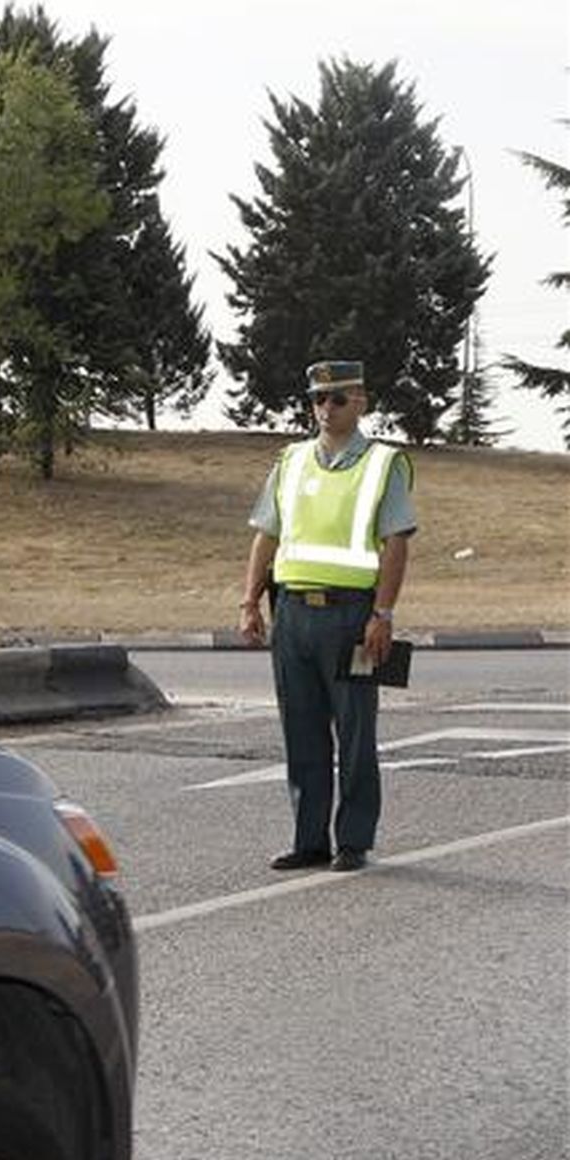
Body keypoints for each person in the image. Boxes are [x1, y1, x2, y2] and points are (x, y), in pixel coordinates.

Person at [238, 359, 417, 872]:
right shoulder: (291, 461)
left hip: (353, 617)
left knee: (356, 730)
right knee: (302, 728)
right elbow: (266, 535)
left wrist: (383, 613)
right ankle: (309, 839)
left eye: (337, 399)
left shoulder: (383, 463)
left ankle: (354, 839)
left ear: (360, 401)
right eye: (317, 398)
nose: (325, 408)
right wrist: (250, 601)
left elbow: (395, 544)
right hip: (292, 612)